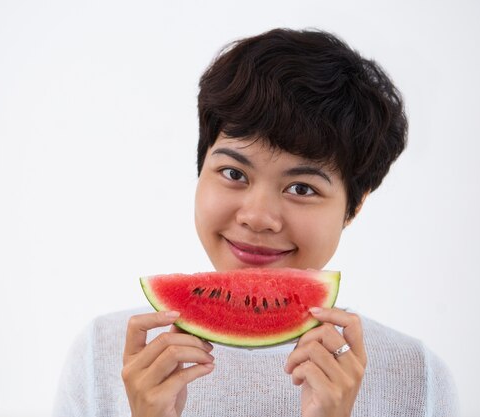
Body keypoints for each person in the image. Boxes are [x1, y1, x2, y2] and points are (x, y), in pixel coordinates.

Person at [54, 28, 459, 417]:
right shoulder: (102, 359)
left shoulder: (417, 380)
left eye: (301, 188)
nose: (257, 217)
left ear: (353, 207)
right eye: (234, 173)